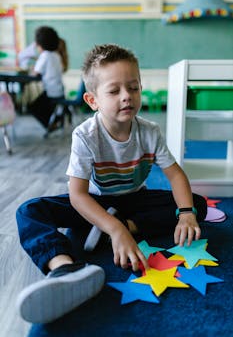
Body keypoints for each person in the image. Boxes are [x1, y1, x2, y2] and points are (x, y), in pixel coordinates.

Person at [16, 44, 207, 324]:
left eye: (133, 88)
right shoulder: (85, 135)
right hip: (95, 202)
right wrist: (114, 227)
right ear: (92, 100)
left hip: (134, 201)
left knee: (195, 204)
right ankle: (64, 268)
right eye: (114, 91)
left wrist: (187, 214)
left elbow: (176, 176)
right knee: (28, 211)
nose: (127, 97)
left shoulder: (150, 132)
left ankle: (117, 229)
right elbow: (78, 196)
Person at [27, 27, 67, 130]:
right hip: (59, 91)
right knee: (42, 104)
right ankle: (54, 120)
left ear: (40, 44)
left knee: (32, 107)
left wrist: (31, 70)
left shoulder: (44, 55)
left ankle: (50, 125)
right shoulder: (56, 55)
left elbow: (35, 73)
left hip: (51, 92)